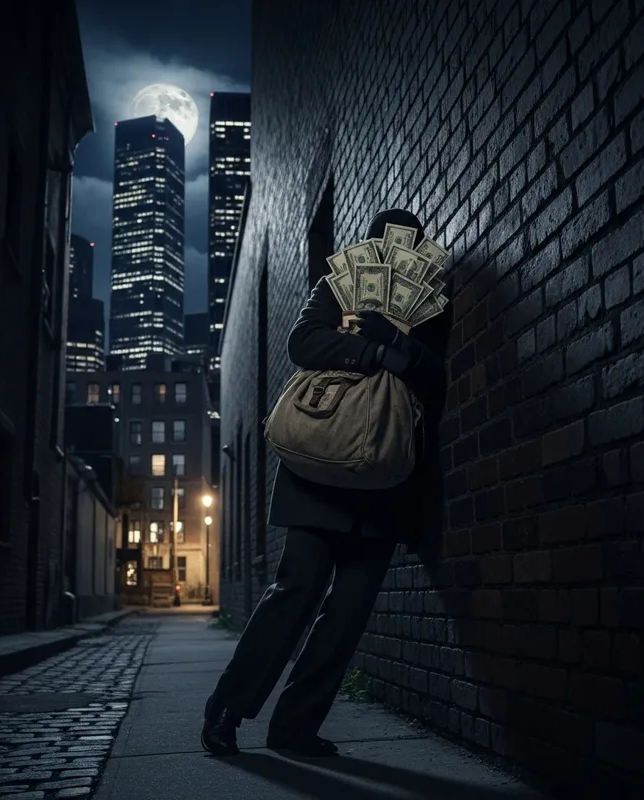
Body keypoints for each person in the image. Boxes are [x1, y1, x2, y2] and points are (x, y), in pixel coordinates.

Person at [201, 208, 453, 758]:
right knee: (295, 593)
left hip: (385, 479)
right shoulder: (338, 286)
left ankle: (294, 727)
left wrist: (402, 345)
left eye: (407, 247)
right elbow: (303, 342)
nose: (395, 256)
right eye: (387, 246)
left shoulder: (431, 298)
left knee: (347, 615)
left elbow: (436, 377)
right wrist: (376, 352)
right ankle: (225, 710)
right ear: (370, 250)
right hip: (318, 471)